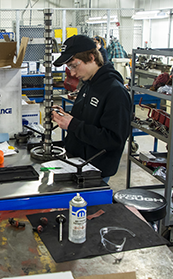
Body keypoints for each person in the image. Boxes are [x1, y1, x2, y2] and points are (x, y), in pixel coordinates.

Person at [51, 35, 132, 183]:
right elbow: (85, 120)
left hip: (94, 171)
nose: (73, 73)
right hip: (76, 163)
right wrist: (66, 117)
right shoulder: (88, 84)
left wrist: (72, 124)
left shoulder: (115, 92)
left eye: (74, 66)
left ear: (92, 57)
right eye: (69, 68)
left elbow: (114, 140)